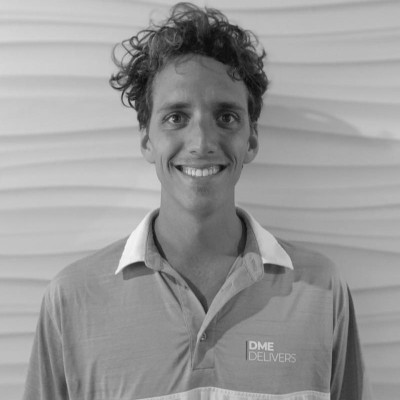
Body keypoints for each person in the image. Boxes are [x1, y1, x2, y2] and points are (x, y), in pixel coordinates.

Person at [23, 2, 372, 399]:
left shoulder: (322, 291)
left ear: (251, 140)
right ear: (146, 140)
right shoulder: (71, 300)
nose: (202, 142)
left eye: (226, 117)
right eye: (176, 117)